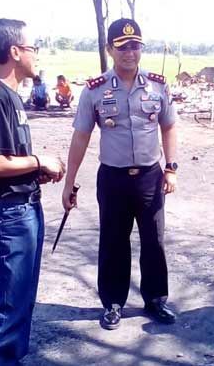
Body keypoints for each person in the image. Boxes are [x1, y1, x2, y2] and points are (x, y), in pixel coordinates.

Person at [62, 18, 179, 330]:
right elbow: (81, 137)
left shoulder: (157, 85)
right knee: (113, 241)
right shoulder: (94, 90)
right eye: (123, 46)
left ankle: (155, 300)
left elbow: (168, 126)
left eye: (135, 45)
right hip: (113, 179)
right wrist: (69, 181)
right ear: (110, 50)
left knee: (154, 240)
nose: (130, 52)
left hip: (149, 177)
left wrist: (171, 168)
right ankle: (113, 303)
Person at [0, 18, 66, 365]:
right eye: (32, 48)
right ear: (14, 51)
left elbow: (8, 161)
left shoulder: (10, 96)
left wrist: (35, 171)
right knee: (9, 310)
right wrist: (39, 158)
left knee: (21, 302)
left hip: (22, 206)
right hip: (11, 214)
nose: (35, 55)